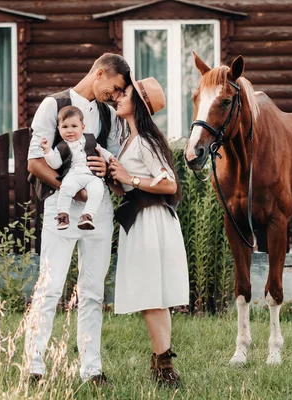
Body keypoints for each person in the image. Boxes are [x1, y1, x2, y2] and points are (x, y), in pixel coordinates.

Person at [25, 53, 130, 385]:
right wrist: (69, 190)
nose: (114, 96)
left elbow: (115, 167)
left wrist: (109, 172)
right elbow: (34, 163)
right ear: (99, 74)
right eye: (113, 88)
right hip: (61, 207)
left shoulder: (108, 116)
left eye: (119, 93)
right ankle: (35, 367)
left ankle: (92, 369)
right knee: (51, 287)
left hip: (100, 211)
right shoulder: (53, 105)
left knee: (93, 291)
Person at [108, 76, 189, 389]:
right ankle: (161, 364)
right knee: (154, 296)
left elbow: (169, 184)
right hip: (141, 221)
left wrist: (131, 177)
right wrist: (117, 178)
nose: (118, 97)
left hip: (151, 222)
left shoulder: (144, 140)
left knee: (152, 295)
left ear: (137, 104)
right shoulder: (131, 140)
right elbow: (133, 182)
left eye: (125, 94)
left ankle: (165, 366)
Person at [41, 106, 114, 230]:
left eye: (74, 126)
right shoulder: (61, 147)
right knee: (65, 188)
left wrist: (111, 158)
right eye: (65, 127)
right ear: (59, 129)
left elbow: (101, 150)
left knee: (97, 190)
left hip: (92, 175)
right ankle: (63, 215)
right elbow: (56, 164)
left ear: (82, 127)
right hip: (73, 175)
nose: (69, 130)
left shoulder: (90, 139)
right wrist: (47, 151)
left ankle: (87, 216)